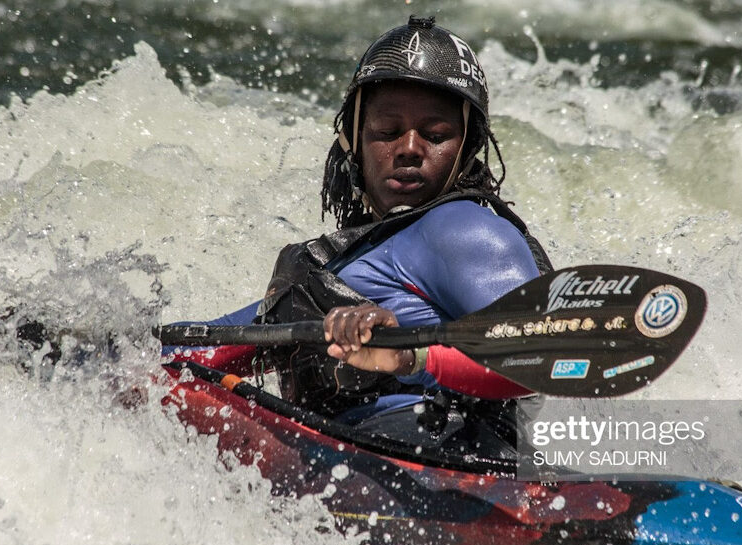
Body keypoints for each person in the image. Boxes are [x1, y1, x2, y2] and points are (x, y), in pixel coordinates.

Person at [166, 16, 551, 456]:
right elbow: (212, 346)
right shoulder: (345, 262)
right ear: (354, 141)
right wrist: (106, 349)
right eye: (387, 132)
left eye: (436, 134)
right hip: (347, 462)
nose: (409, 147)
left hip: (447, 461)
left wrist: (411, 357)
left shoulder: (464, 228)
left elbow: (539, 356)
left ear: (466, 148)